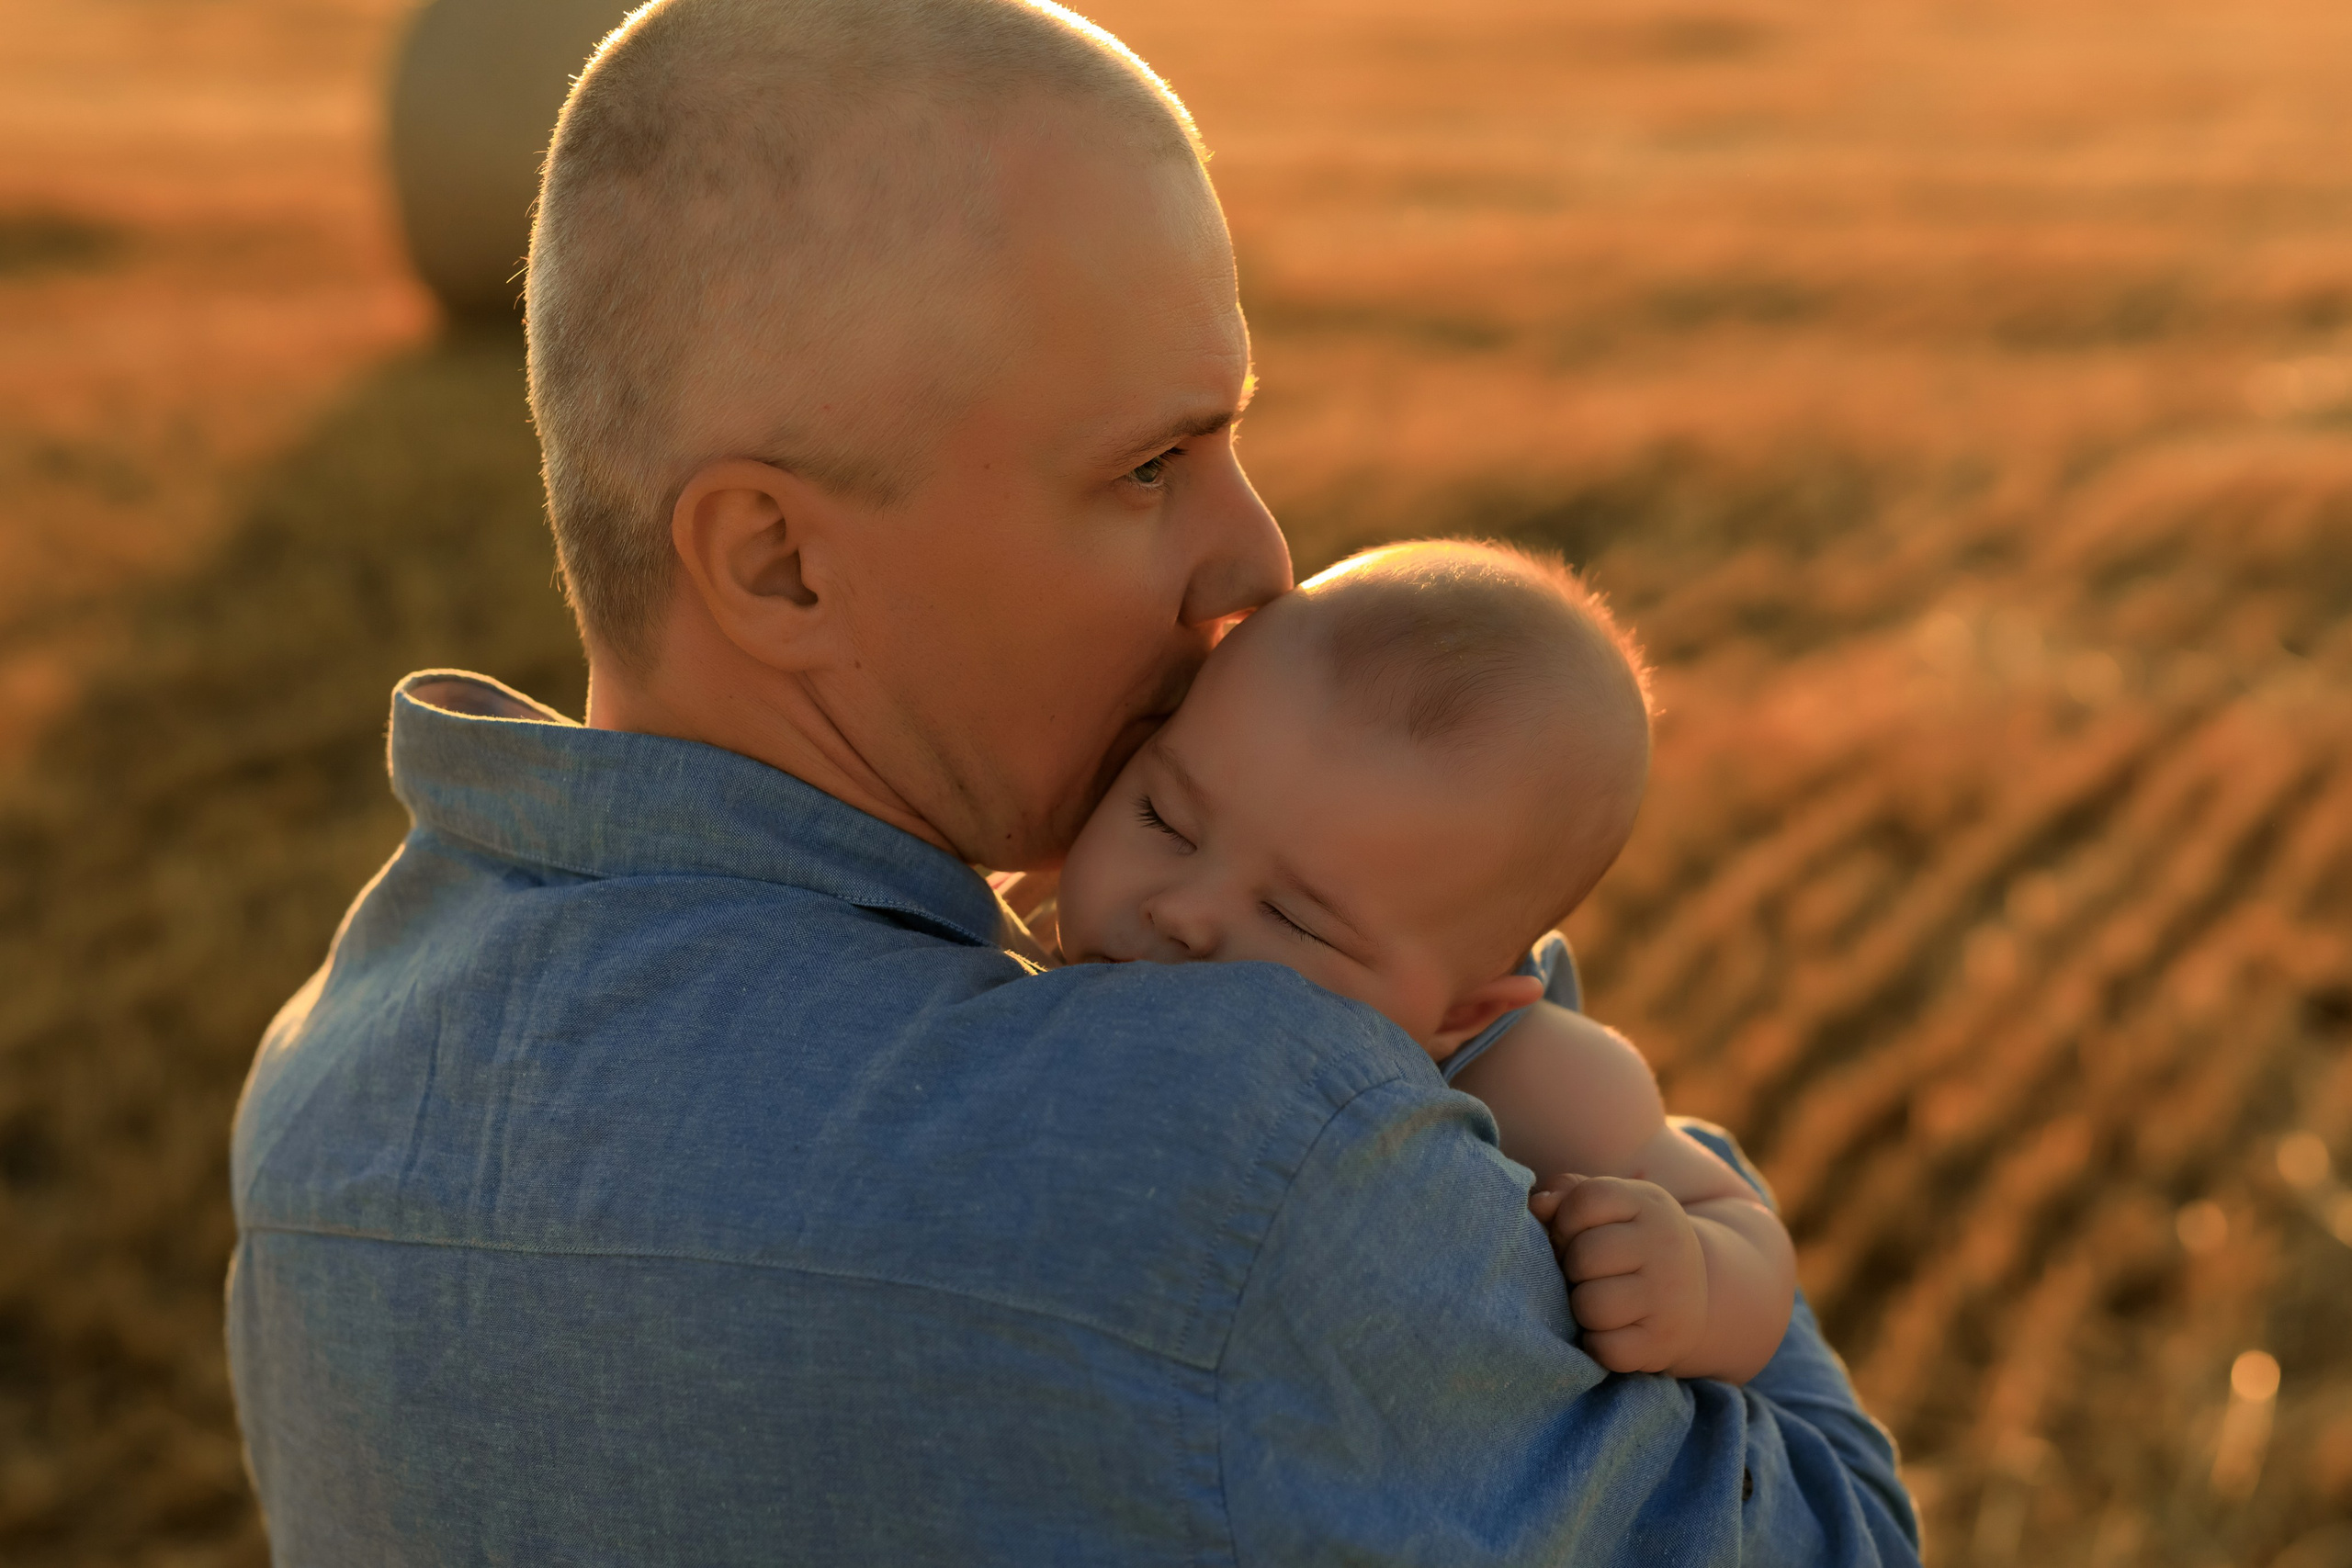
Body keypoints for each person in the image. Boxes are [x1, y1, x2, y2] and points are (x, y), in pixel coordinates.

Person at [226, 1, 1922, 1562]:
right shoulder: (1252, 1136)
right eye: (1147, 466)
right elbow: (1841, 1529)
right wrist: (1511, 1043)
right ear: (781, 565)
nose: (1253, 559)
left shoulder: (322, 1101)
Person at [1050, 537, 1798, 1384]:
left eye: (1294, 918)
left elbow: (1736, 1219)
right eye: (1164, 818)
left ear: (1462, 1013)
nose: (1182, 911)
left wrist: (1692, 1281)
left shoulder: (1533, 1078)